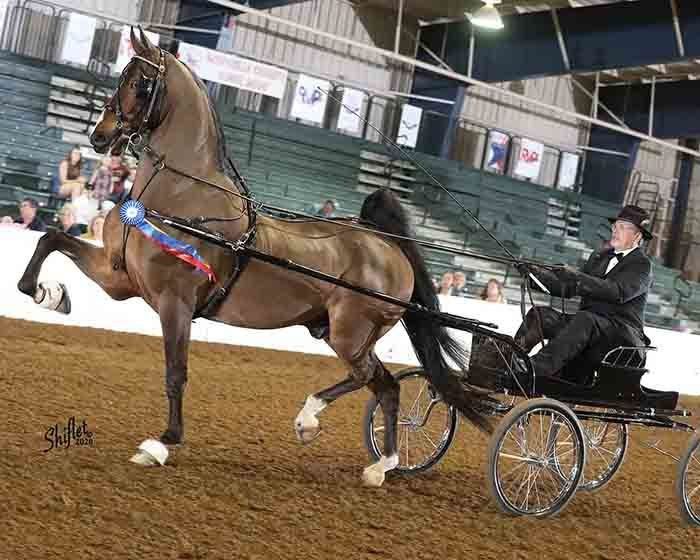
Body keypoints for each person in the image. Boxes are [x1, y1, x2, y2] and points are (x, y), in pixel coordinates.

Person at [514, 204, 654, 378]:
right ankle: (511, 359)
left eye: (623, 228)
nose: (615, 231)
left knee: (585, 319)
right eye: (615, 226)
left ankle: (534, 368)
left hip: (621, 335)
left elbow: (617, 292)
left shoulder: (642, 264)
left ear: (637, 236)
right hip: (588, 328)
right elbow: (570, 288)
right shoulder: (599, 257)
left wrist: (576, 276)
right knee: (541, 315)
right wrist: (535, 275)